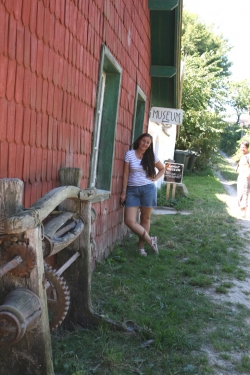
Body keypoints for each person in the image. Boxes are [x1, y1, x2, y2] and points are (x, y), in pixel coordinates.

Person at [120, 133, 165, 256]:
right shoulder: (129, 154)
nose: (145, 144)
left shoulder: (151, 156)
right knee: (129, 220)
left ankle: (141, 248)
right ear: (139, 141)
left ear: (149, 145)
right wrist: (124, 192)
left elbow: (162, 169)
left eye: (148, 143)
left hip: (148, 189)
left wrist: (155, 178)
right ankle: (151, 240)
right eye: (143, 141)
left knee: (145, 218)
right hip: (132, 190)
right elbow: (125, 174)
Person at [237, 141, 250, 218]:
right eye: (241, 147)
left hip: (246, 178)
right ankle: (241, 210)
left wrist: (248, 176)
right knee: (240, 194)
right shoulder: (243, 156)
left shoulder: (248, 156)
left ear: (247, 148)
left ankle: (244, 212)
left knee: (244, 194)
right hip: (241, 177)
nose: (242, 149)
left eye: (244, 147)